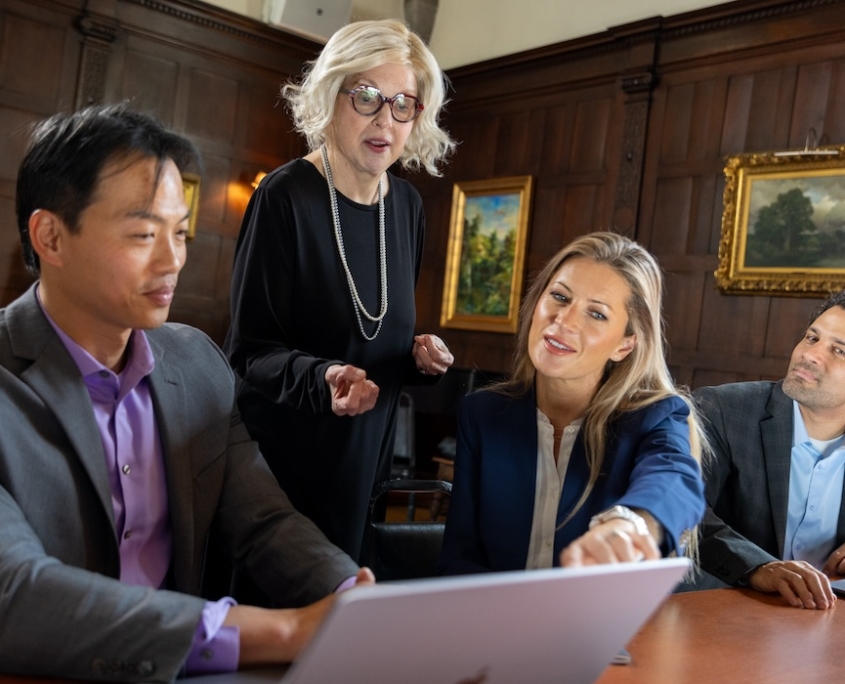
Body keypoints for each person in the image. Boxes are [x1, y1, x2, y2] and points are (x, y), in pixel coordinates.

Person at [0, 103, 375, 682]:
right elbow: (17, 593)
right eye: (144, 234)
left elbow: (264, 522)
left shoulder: (197, 362)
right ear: (50, 235)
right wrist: (285, 631)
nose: (173, 261)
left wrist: (354, 595)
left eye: (180, 233)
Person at [224, 19, 456, 563]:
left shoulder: (407, 208)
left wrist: (419, 360)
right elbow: (249, 353)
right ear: (332, 95)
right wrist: (322, 377)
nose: (385, 121)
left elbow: (375, 334)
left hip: (364, 475)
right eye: (369, 97)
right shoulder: (284, 197)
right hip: (278, 474)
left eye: (404, 104)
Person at [437, 232, 707, 575]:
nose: (563, 321)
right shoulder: (482, 414)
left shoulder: (655, 416)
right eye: (559, 297)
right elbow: (460, 555)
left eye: (596, 314)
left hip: (602, 626)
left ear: (625, 345)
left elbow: (675, 481)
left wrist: (629, 526)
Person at [687, 291, 845, 610]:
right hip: (728, 614)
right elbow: (682, 512)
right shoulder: (720, 410)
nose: (810, 355)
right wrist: (759, 568)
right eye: (811, 337)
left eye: (839, 350)